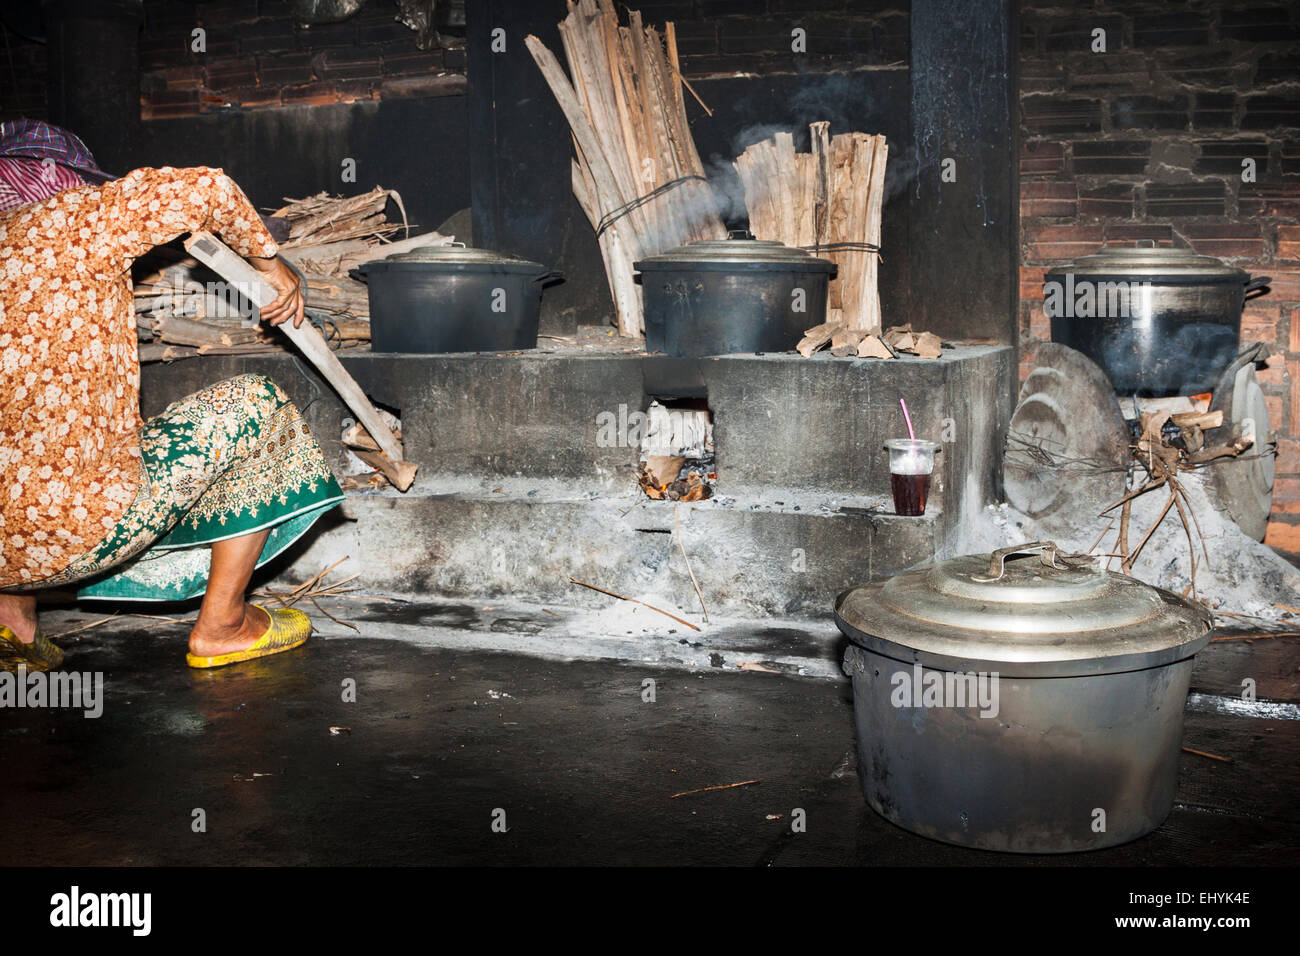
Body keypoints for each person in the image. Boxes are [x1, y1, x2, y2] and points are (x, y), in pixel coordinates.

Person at [0, 165, 345, 672]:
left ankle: (13, 619)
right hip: (69, 528)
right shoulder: (61, 223)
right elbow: (208, 188)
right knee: (254, 404)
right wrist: (270, 266)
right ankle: (223, 626)